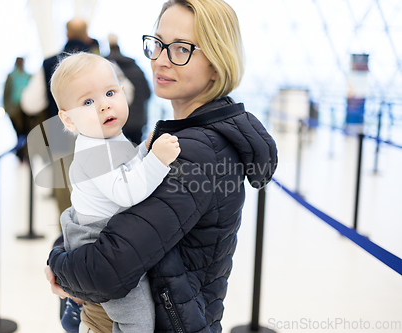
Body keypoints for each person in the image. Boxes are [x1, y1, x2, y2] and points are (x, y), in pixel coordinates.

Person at [46, 0, 278, 332]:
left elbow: (108, 270)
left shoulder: (199, 152)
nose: (160, 60)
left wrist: (58, 264)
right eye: (157, 44)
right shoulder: (182, 136)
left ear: (217, 62)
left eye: (181, 48)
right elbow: (117, 221)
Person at [51, 52, 181, 333]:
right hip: (96, 243)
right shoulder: (93, 150)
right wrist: (157, 160)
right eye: (87, 102)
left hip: (107, 236)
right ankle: (83, 309)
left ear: (124, 93)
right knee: (138, 320)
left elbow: (126, 167)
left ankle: (79, 305)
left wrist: (144, 151)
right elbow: (126, 191)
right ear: (69, 119)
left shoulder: (109, 137)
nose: (103, 105)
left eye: (110, 92)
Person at [21, 18, 99, 214]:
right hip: (97, 138)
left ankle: (68, 240)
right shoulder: (102, 63)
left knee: (65, 198)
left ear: (66, 34)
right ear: (87, 34)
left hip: (60, 136)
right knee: (97, 194)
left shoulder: (49, 63)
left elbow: (30, 103)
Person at [106, 34, 151, 145]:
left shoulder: (106, 68)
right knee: (138, 151)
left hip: (116, 121)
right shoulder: (136, 67)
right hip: (138, 120)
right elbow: (148, 93)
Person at [3, 57, 31, 160]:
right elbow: (6, 93)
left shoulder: (28, 76)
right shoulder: (11, 76)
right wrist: (7, 108)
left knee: (25, 132)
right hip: (15, 109)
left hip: (26, 109)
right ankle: (20, 153)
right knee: (19, 132)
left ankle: (24, 152)